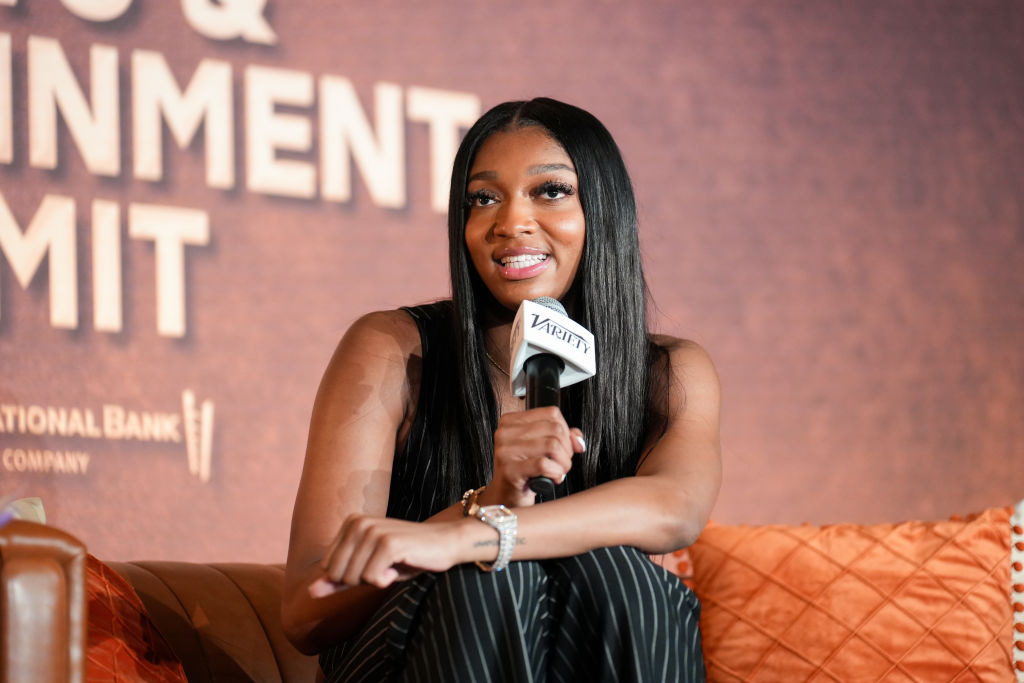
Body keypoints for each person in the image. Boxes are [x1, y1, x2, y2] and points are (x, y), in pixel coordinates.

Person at [282, 97, 722, 682]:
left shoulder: (668, 371)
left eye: (551, 191)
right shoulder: (393, 347)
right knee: (487, 581)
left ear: (602, 210)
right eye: (483, 199)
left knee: (626, 579)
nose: (511, 222)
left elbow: (675, 508)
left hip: (575, 643)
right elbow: (305, 612)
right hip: (408, 653)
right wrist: (484, 504)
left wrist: (475, 536)